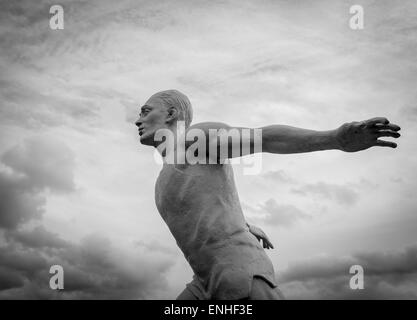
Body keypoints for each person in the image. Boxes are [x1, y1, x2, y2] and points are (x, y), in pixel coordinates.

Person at [135, 89, 401, 300]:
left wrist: (334, 139)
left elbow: (265, 138)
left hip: (236, 273)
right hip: (202, 283)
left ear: (171, 113)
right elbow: (205, 202)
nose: (138, 120)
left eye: (146, 111)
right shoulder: (164, 176)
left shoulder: (194, 140)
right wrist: (245, 225)